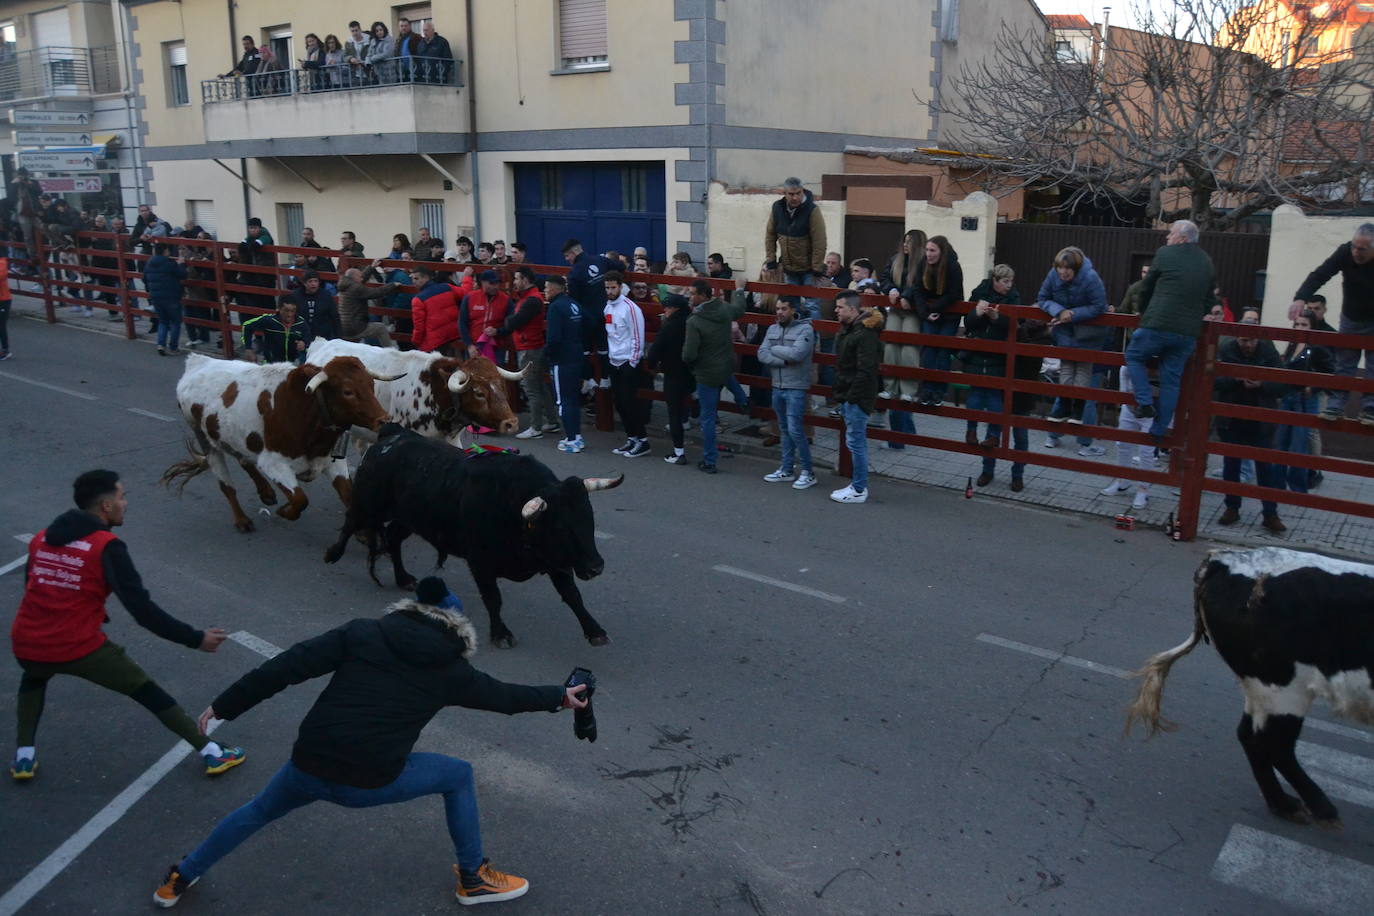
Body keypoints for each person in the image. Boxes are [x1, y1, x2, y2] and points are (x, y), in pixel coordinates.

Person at [151, 577, 587, 909]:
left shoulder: (362, 632)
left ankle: (179, 878)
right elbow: (506, 698)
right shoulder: (452, 671)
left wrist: (225, 707)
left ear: (409, 610)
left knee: (259, 810)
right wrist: (558, 698)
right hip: (368, 780)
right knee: (459, 776)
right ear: (456, 630)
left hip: (309, 762)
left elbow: (287, 666)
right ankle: (473, 878)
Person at [10, 470, 244, 782]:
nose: (126, 503)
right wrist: (195, 638)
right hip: (78, 647)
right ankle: (212, 753)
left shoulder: (41, 539)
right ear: (106, 506)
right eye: (122, 497)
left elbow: (34, 586)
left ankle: (23, 758)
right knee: (144, 689)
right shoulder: (106, 547)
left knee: (34, 679)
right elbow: (143, 611)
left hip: (27, 642)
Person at [1124, 219, 1217, 437]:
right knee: (1171, 380)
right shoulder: (1207, 261)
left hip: (1157, 324)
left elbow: (1146, 288)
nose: (1167, 237)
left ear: (1182, 238)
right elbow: (1209, 299)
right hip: (1187, 333)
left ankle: (1145, 401)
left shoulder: (1165, 254)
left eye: (1170, 233)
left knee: (1134, 356)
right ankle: (1159, 430)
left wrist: (1145, 313)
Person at [1291, 223, 1374, 425]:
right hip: (1351, 316)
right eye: (1354, 246)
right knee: (1344, 363)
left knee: (1373, 366)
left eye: (1361, 249)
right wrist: (1300, 297)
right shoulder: (1345, 252)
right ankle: (1335, 406)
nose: (1356, 252)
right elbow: (1321, 274)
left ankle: (1370, 409)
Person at [1214, 321, 1289, 532]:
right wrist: (1236, 379)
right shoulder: (1226, 349)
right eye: (1244, 340)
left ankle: (1270, 513)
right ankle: (1232, 508)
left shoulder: (1268, 350)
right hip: (1232, 418)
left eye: (1252, 340)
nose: (1248, 344)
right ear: (1237, 338)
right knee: (1231, 465)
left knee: (1266, 469)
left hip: (1261, 420)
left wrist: (1262, 384)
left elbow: (1283, 383)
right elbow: (1214, 380)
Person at [1036, 246, 1108, 424]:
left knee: (1083, 367)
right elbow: (1043, 298)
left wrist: (1074, 313)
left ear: (1075, 268)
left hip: (1088, 331)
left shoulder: (1090, 278)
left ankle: (1078, 410)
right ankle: (1065, 407)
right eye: (1060, 267)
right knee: (1067, 366)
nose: (1063, 272)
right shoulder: (1053, 275)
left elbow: (1099, 306)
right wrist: (1060, 311)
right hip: (1064, 330)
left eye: (1067, 268)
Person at [964, 266, 1021, 485]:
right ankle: (971, 431)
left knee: (995, 399)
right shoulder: (980, 293)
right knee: (976, 395)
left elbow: (1015, 326)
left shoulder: (1014, 298)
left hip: (999, 358)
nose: (1009, 285)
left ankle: (993, 435)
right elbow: (968, 322)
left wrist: (998, 318)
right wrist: (977, 313)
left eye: (1010, 281)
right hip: (978, 354)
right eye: (1005, 281)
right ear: (995, 281)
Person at [683, 278, 747, 473]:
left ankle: (710, 460)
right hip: (725, 364)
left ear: (703, 296)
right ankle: (743, 401)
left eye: (693, 293)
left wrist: (693, 366)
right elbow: (739, 310)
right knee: (727, 376)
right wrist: (739, 290)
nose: (690, 296)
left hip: (707, 372)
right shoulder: (723, 309)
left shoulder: (695, 321)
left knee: (707, 418)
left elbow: (689, 354)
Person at [757, 294, 817, 490]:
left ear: (793, 310)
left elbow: (798, 354)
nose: (779, 313)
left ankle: (808, 472)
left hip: (796, 387)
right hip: (778, 385)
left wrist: (775, 349)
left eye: (783, 309)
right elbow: (762, 353)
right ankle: (786, 468)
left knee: (795, 430)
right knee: (784, 429)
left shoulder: (806, 329)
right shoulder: (773, 328)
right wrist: (783, 359)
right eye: (777, 309)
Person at [491, 267, 558, 438]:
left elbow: (513, 322)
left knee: (531, 388)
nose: (514, 282)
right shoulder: (531, 298)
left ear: (525, 280)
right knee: (540, 387)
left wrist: (508, 321)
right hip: (531, 347)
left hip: (529, 349)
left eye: (517, 278)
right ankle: (551, 421)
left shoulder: (531, 300)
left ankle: (536, 427)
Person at [1273, 310, 1334, 494]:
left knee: (1299, 445)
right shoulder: (1292, 345)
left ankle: (1298, 488)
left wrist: (1312, 387)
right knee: (1281, 442)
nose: (1299, 328)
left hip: (1305, 399)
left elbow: (1329, 372)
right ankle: (1277, 484)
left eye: (1304, 325)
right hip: (1288, 397)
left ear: (1312, 327)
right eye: (1297, 324)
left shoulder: (1317, 348)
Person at [830, 290, 883, 503]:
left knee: (856, 442)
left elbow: (866, 370)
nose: (836, 310)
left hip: (857, 397)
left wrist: (851, 398)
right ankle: (857, 486)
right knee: (854, 441)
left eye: (840, 307)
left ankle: (859, 489)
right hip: (851, 395)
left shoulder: (864, 334)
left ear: (852, 309)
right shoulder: (851, 330)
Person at [601, 272, 650, 457]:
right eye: (607, 287)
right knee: (620, 404)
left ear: (621, 287)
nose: (610, 291)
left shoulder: (630, 308)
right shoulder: (607, 308)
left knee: (631, 404)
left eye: (613, 287)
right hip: (614, 362)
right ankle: (632, 438)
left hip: (628, 363)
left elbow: (638, 336)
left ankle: (643, 441)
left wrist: (633, 362)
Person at [763, 177, 825, 320]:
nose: (795, 197)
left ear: (802, 191)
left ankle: (813, 338)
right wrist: (771, 260)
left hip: (809, 269)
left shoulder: (812, 210)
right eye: (791, 194)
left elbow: (819, 241)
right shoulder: (777, 208)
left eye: (798, 193)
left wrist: (816, 268)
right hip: (789, 268)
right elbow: (770, 234)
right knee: (792, 306)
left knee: (812, 306)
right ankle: (796, 337)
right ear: (784, 193)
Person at [913, 236, 965, 406]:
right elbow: (917, 290)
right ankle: (927, 390)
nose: (928, 254)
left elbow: (954, 294)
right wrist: (925, 313)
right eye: (927, 250)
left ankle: (939, 392)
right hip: (929, 313)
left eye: (932, 250)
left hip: (949, 315)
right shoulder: (923, 264)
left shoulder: (953, 266)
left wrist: (934, 309)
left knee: (943, 351)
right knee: (929, 350)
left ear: (941, 251)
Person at [647, 292, 694, 465]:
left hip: (673, 373)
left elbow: (654, 352)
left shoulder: (669, 326)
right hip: (692, 372)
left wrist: (651, 366)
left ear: (675, 308)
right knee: (686, 405)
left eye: (667, 307)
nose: (664, 310)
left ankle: (678, 452)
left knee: (673, 413)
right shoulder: (692, 322)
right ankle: (688, 419)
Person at [880, 229, 926, 403]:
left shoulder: (923, 263)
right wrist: (891, 289)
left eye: (909, 242)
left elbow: (922, 284)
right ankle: (889, 388)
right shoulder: (895, 260)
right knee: (890, 345)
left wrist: (907, 295)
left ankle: (908, 390)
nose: (905, 245)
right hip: (895, 309)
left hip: (913, 311)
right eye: (904, 241)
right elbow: (884, 278)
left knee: (909, 347)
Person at [543, 275, 587, 453]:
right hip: (576, 356)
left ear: (555, 288)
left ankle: (571, 439)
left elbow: (553, 338)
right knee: (573, 400)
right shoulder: (574, 304)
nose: (545, 291)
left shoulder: (555, 308)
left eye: (546, 287)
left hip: (562, 360)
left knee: (563, 401)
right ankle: (576, 435)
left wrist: (547, 354)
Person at [337, 263, 399, 347]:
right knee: (381, 328)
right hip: (355, 327)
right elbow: (376, 292)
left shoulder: (345, 285)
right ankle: (390, 352)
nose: (362, 278)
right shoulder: (356, 288)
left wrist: (371, 267)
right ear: (354, 278)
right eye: (360, 276)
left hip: (344, 327)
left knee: (353, 345)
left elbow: (361, 279)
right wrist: (392, 285)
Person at [143, 244, 188, 355]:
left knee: (162, 321)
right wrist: (181, 264)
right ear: (165, 251)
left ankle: (161, 345)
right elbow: (182, 275)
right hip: (171, 296)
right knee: (175, 322)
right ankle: (173, 347)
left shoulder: (148, 264)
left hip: (155, 296)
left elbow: (144, 279)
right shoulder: (169, 264)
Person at [459, 270, 511, 361]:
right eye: (491, 283)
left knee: (495, 374)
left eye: (497, 283)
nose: (495, 286)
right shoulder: (470, 298)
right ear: (483, 282)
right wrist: (469, 345)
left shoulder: (506, 300)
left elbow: (511, 324)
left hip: (497, 348)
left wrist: (497, 331)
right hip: (474, 347)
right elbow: (462, 323)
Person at [242, 300, 310, 363]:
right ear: (279, 309)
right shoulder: (269, 321)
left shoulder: (301, 323)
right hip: (271, 364)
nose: (290, 314)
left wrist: (304, 343)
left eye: (293, 311)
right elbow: (246, 325)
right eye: (286, 311)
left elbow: (308, 338)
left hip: (293, 365)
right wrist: (248, 348)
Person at [287, 270, 341, 341]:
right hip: (301, 335)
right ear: (304, 283)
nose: (313, 284)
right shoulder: (295, 296)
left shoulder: (326, 295)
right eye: (310, 281)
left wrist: (338, 337)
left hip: (323, 336)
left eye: (316, 281)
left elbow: (334, 316)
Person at [343, 21, 372, 86]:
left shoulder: (369, 39)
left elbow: (373, 52)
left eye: (356, 30)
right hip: (355, 74)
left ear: (360, 29)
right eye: (352, 31)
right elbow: (344, 56)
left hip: (368, 72)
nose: (355, 33)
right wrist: (350, 59)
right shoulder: (349, 42)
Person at [0, 245, 10, 360]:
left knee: (1, 325)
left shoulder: (2, 262)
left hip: (3, 299)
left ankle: (5, 349)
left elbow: (1, 275)